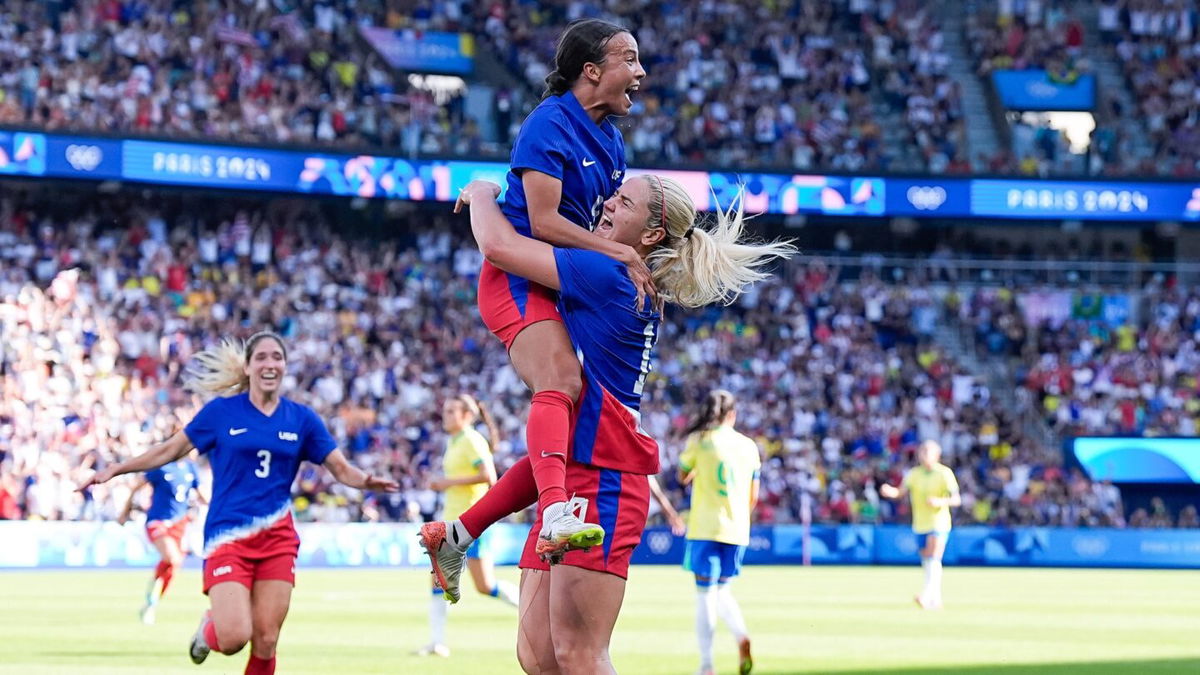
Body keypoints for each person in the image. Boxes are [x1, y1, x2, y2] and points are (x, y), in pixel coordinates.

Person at [423, 175, 794, 674]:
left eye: (625, 202)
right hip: (577, 465)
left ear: (651, 235)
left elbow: (500, 246)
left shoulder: (607, 271)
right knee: (538, 658)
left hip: (606, 478)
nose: (609, 203)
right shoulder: (617, 269)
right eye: (615, 194)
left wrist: (484, 193)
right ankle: (458, 534)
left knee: (580, 655)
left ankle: (459, 533)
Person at [80, 331, 399, 674]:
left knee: (266, 639)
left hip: (277, 539)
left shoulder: (302, 419)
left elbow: (338, 467)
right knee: (233, 638)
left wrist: (365, 481)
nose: (269, 364)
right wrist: (118, 468)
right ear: (247, 367)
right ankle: (207, 630)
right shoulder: (221, 413)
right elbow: (171, 449)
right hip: (228, 537)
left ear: (285, 366)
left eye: (276, 357)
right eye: (261, 357)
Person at [475, 18, 649, 559]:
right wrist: (620, 253)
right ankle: (555, 511)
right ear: (592, 71)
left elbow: (602, 223)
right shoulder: (549, 123)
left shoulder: (612, 141)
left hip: (564, 279)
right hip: (519, 276)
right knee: (561, 379)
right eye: (630, 59)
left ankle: (456, 534)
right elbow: (544, 221)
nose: (641, 72)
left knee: (573, 424)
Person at [417, 394, 520, 658]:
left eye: (452, 410)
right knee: (438, 580)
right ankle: (436, 642)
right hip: (451, 521)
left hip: (471, 522)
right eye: (446, 409)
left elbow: (489, 476)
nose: (446, 414)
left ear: (466, 416)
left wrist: (445, 483)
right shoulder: (454, 441)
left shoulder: (472, 440)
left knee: (485, 586)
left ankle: (532, 609)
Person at [678, 390, 760, 675]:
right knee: (722, 589)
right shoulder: (749, 446)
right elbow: (753, 496)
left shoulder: (700, 441)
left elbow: (682, 476)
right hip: (737, 529)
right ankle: (741, 634)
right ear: (733, 415)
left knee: (705, 595)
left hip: (705, 526)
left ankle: (706, 664)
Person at [118, 452, 208, 625]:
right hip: (158, 521)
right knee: (172, 557)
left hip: (179, 524)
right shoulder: (162, 466)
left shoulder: (191, 468)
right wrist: (125, 512)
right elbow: (137, 486)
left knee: (173, 565)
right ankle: (151, 600)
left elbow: (203, 496)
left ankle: (152, 601)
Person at [880, 440, 961, 609]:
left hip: (939, 522)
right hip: (920, 523)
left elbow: (956, 499)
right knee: (927, 561)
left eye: (927, 452)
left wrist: (940, 501)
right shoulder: (914, 474)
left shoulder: (944, 473)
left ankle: (926, 596)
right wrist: (890, 491)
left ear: (936, 455)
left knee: (933, 557)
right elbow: (900, 492)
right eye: (921, 452)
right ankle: (936, 599)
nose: (923, 455)